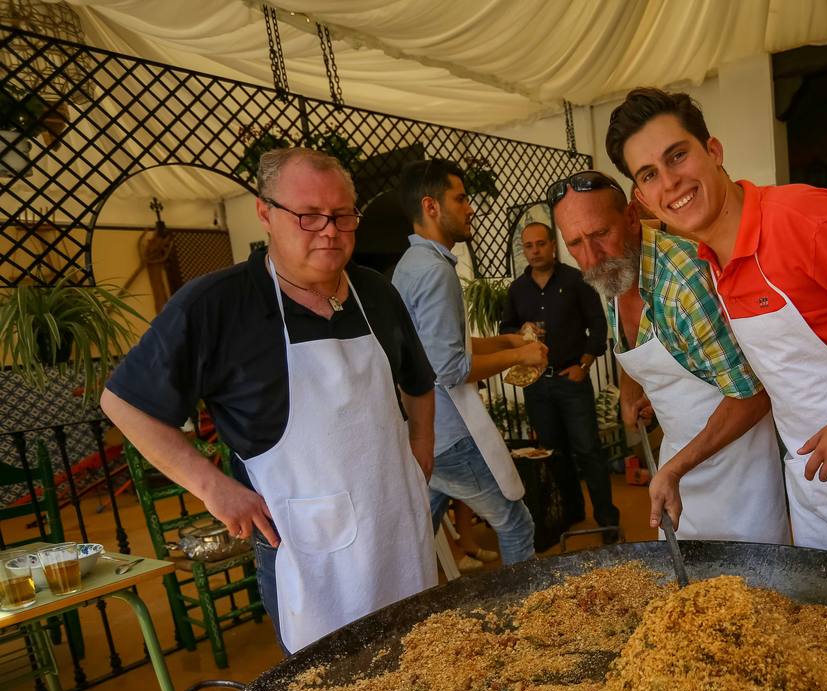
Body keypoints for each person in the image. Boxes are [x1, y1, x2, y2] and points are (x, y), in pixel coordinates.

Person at [606, 87, 827, 594]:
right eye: (649, 175)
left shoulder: (797, 218)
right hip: (818, 494)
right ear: (643, 199)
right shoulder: (711, 263)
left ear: (713, 152)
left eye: (677, 155)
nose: (671, 183)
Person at [101, 148, 437, 652]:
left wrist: (422, 446)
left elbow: (419, 380)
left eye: (343, 215)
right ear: (265, 213)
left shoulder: (375, 293)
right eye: (308, 216)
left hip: (397, 526)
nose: (329, 230)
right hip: (306, 547)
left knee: (425, 663)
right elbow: (124, 403)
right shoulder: (216, 305)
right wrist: (212, 487)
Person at [548, 169, 789, 542]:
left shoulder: (682, 282)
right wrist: (632, 390)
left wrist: (675, 468)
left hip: (737, 471)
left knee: (746, 589)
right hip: (678, 460)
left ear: (631, 217)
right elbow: (638, 341)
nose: (591, 256)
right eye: (575, 243)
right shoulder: (614, 272)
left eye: (599, 234)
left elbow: (753, 396)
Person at [391, 158, 541, 567]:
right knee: (514, 523)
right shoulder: (436, 273)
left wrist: (501, 341)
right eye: (460, 198)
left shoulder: (411, 266)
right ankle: (527, 620)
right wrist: (520, 353)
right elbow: (450, 368)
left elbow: (441, 345)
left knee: (419, 535)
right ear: (431, 206)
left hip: (425, 431)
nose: (470, 207)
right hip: (450, 434)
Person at [500, 222, 621, 540]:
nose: (535, 250)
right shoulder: (517, 290)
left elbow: (597, 324)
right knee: (554, 452)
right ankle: (572, 512)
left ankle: (608, 520)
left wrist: (585, 363)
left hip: (571, 378)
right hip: (537, 384)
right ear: (524, 250)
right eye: (529, 246)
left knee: (588, 450)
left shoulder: (575, 280)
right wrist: (518, 333)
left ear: (552, 246)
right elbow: (505, 330)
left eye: (541, 244)